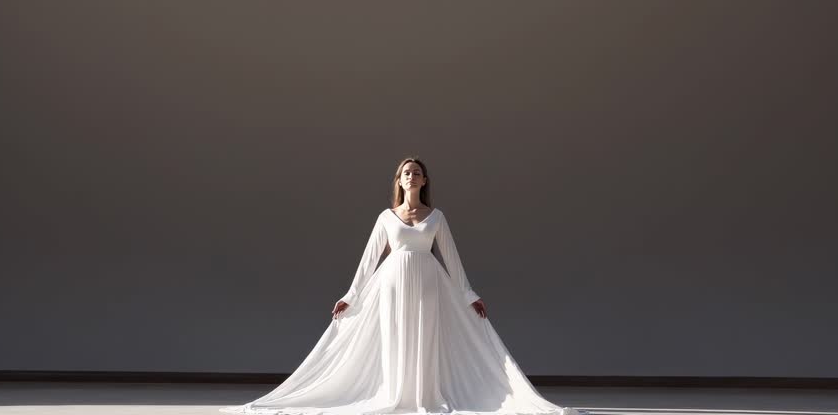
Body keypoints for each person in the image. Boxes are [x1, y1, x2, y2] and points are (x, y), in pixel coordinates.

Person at [221, 157, 580, 415]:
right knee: (394, 335)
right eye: (406, 172)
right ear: (399, 180)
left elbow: (452, 260)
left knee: (424, 336)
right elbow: (369, 259)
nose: (412, 176)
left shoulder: (436, 217)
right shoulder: (386, 218)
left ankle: (421, 397)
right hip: (391, 283)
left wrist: (470, 294)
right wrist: (351, 295)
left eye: (417, 173)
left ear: (424, 181)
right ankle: (395, 395)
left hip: (427, 282)